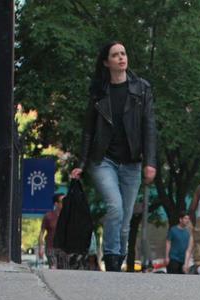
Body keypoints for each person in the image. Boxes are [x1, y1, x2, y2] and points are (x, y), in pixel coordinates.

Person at [69, 41, 157, 273]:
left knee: (125, 220)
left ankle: (119, 258)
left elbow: (149, 127)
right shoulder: (99, 91)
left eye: (123, 53)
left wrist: (150, 162)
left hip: (132, 162)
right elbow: (88, 129)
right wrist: (81, 163)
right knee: (115, 207)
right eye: (115, 55)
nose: (121, 58)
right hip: (103, 160)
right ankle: (111, 259)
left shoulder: (142, 89)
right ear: (107, 62)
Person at [38, 193, 65, 268]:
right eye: (63, 201)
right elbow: (42, 233)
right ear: (56, 204)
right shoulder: (48, 216)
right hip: (51, 247)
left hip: (64, 249)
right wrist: (41, 248)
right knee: (53, 266)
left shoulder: (68, 217)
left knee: (63, 269)